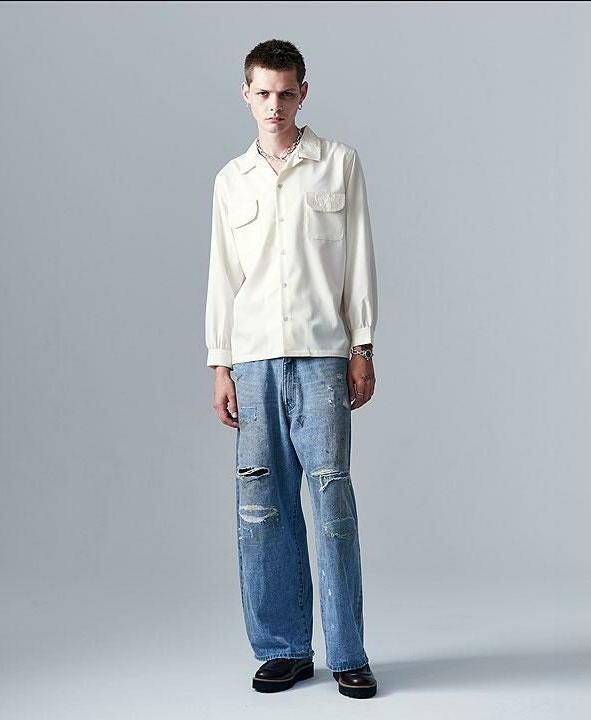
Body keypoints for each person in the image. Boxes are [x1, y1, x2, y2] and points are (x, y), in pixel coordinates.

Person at [204, 39, 378, 699]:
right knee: (262, 508)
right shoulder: (231, 180)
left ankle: (349, 652)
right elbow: (223, 277)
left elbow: (358, 258)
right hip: (252, 360)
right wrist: (220, 364)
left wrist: (362, 346)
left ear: (303, 92)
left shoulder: (339, 165)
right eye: (262, 93)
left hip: (322, 357)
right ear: (245, 96)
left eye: (285, 92)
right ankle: (283, 648)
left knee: (332, 503)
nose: (274, 105)